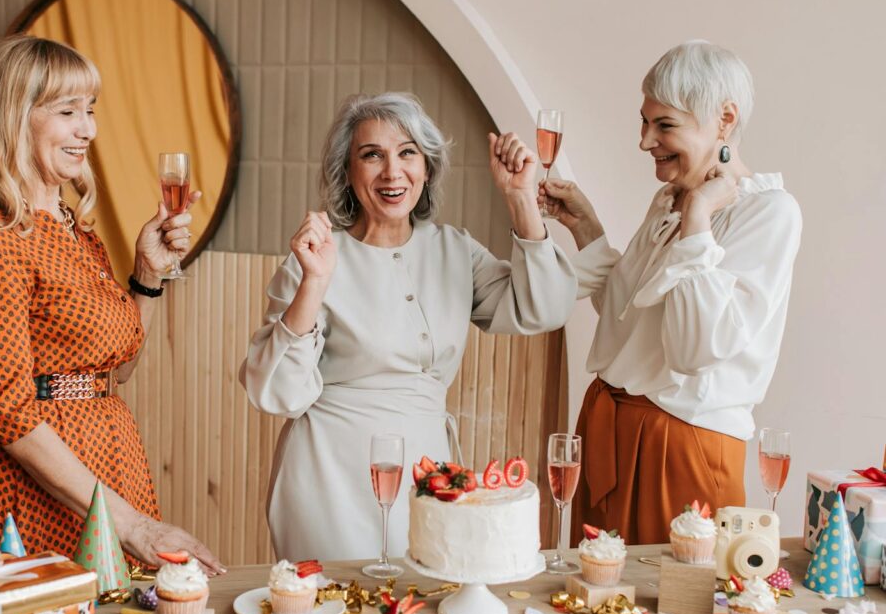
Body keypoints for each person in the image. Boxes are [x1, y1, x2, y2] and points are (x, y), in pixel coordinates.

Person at [0, 35, 224, 573]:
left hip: (110, 464)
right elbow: (7, 413)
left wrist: (147, 276)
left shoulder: (74, 231)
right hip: (33, 490)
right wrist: (132, 525)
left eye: (91, 110)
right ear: (15, 119)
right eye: (68, 111)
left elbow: (117, 370)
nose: (89, 129)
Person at [241, 92, 578, 561]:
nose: (392, 172)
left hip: (429, 476)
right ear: (347, 172)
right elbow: (274, 391)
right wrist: (315, 281)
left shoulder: (455, 250)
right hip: (330, 479)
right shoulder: (316, 256)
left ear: (427, 167)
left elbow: (545, 308)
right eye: (371, 155)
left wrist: (521, 199)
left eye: (407, 153)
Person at [540, 41, 803, 544]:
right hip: (608, 428)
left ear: (724, 120)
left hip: (682, 447)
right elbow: (625, 319)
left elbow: (693, 350)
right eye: (644, 122)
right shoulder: (668, 199)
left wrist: (698, 220)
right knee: (593, 606)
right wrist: (587, 227)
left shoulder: (769, 212)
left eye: (664, 125)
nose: (645, 141)